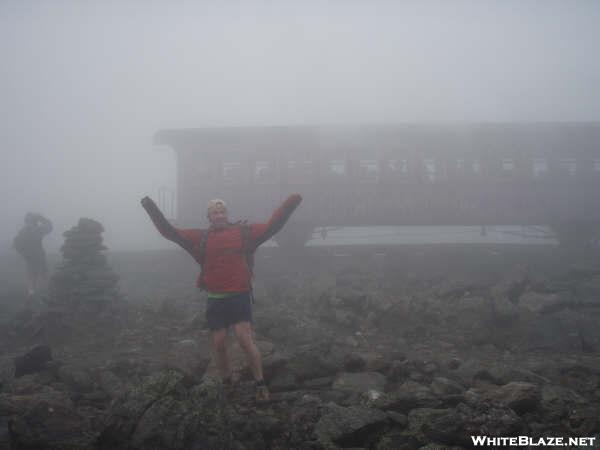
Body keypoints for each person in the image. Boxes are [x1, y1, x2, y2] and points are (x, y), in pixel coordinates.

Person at [141, 194, 302, 401]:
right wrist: (150, 207)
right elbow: (169, 232)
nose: (218, 215)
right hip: (216, 297)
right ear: (209, 217)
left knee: (244, 339)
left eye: (221, 211)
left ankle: (260, 383)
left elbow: (273, 225)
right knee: (218, 343)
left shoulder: (244, 233)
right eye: (214, 212)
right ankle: (227, 383)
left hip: (240, 294)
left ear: (227, 214)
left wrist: (291, 203)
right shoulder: (201, 238)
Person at [13, 213, 53, 299]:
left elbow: (16, 245)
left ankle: (34, 294)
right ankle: (43, 293)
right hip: (36, 256)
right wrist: (41, 218)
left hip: (33, 257)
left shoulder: (24, 231)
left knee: (35, 275)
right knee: (40, 275)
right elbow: (49, 227)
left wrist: (24, 254)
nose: (31, 223)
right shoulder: (36, 230)